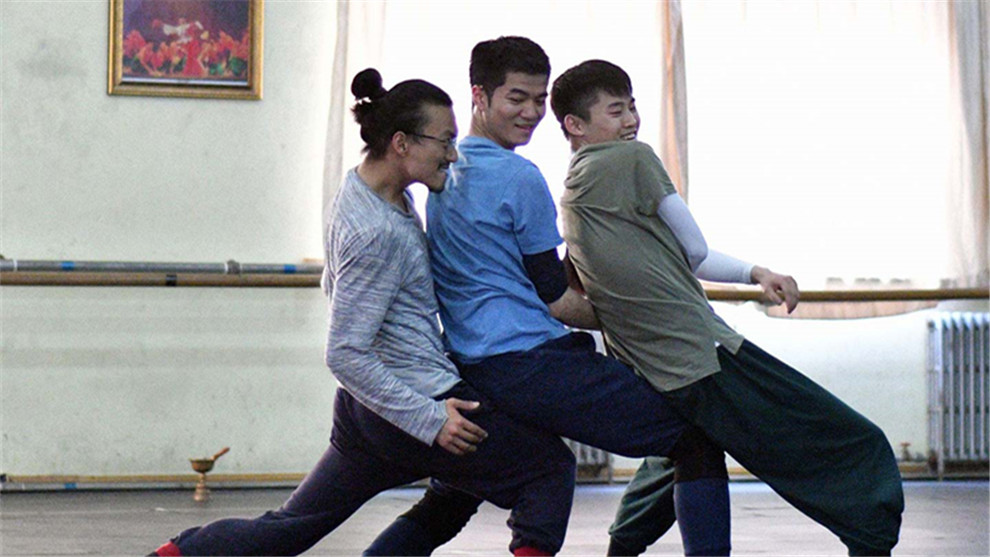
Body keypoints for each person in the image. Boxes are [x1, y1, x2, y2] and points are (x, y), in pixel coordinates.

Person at [148, 68, 578, 557]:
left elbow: (339, 287)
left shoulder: (367, 191)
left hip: (366, 413)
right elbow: (344, 352)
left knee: (292, 528)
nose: (453, 154)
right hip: (415, 403)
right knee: (548, 470)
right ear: (401, 143)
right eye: (444, 141)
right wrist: (430, 419)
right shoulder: (377, 232)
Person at [368, 36, 732, 557]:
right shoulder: (520, 176)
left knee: (455, 494)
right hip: (531, 363)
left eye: (540, 99)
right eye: (516, 98)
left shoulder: (444, 168)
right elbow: (557, 299)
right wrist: (645, 316)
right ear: (479, 96)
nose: (532, 112)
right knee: (695, 439)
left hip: (470, 364)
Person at [551, 59, 904, 556]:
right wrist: (757, 272)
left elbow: (585, 285)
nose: (631, 120)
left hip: (648, 365)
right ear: (575, 124)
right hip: (700, 353)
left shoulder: (572, 198)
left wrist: (755, 274)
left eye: (632, 106)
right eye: (615, 110)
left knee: (687, 447)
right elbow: (694, 250)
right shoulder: (632, 159)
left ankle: (622, 547)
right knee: (850, 441)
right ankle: (873, 539)